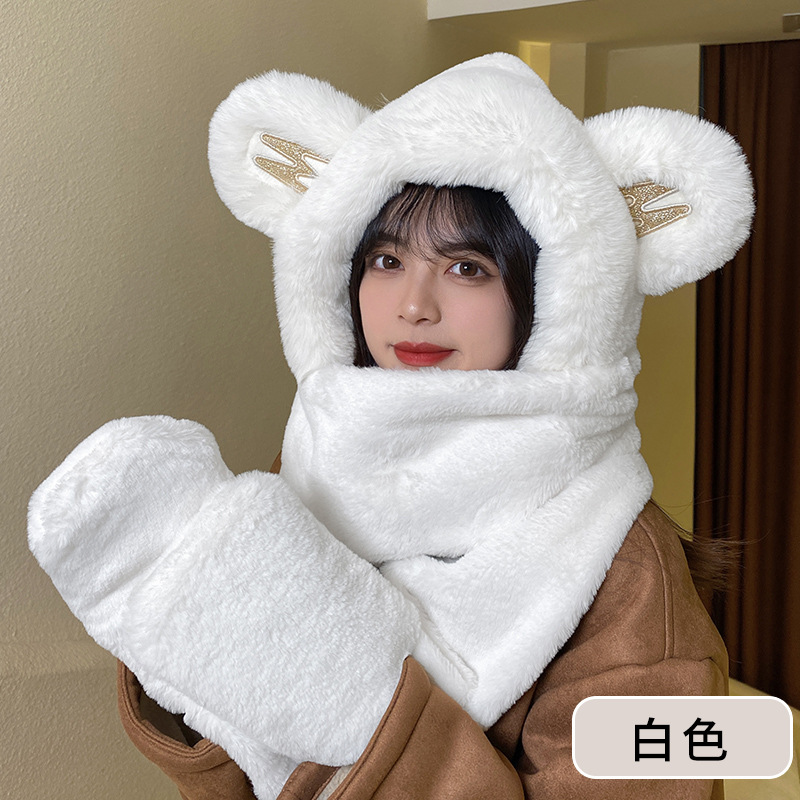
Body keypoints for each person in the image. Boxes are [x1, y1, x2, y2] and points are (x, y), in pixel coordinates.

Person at [28, 54, 754, 800]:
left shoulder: (625, 576)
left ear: (557, 294)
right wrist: (185, 635)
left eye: (467, 268)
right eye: (385, 258)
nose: (413, 305)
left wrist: (354, 706)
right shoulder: (315, 464)